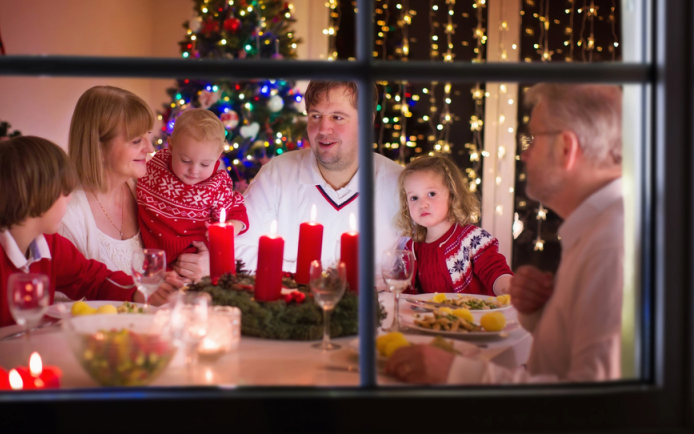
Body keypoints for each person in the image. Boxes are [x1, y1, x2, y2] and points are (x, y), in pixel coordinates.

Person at [386, 83, 623, 384]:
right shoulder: (593, 234)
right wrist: (540, 314)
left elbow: (591, 403)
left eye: (533, 140)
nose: (523, 155)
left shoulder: (611, 247)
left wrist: (454, 372)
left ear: (567, 147)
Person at [0, 136, 149, 338]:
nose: (69, 198)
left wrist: (138, 291)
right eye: (64, 191)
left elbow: (93, 279)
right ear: (36, 195)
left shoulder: (46, 244)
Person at [235, 81, 402, 282]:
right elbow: (239, 251)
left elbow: (414, 267)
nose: (323, 129)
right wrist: (312, 274)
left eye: (337, 117)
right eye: (315, 116)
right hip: (291, 308)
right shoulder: (277, 174)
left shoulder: (400, 185)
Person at [59, 86, 203, 303]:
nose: (150, 147)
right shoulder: (67, 213)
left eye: (147, 136)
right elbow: (61, 302)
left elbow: (188, 238)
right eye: (136, 141)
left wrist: (203, 263)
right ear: (98, 147)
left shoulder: (147, 192)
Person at [136, 108, 248, 263]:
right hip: (152, 253)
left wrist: (230, 228)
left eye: (205, 164)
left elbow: (236, 210)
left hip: (193, 256)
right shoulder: (156, 165)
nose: (194, 171)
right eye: (186, 161)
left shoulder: (216, 185)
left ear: (218, 155)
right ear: (171, 146)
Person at [394, 154, 512, 296]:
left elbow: (494, 271)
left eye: (431, 194)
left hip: (472, 316)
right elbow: (406, 294)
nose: (422, 204)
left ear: (452, 195)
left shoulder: (473, 239)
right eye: (414, 198)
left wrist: (509, 292)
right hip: (429, 317)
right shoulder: (411, 249)